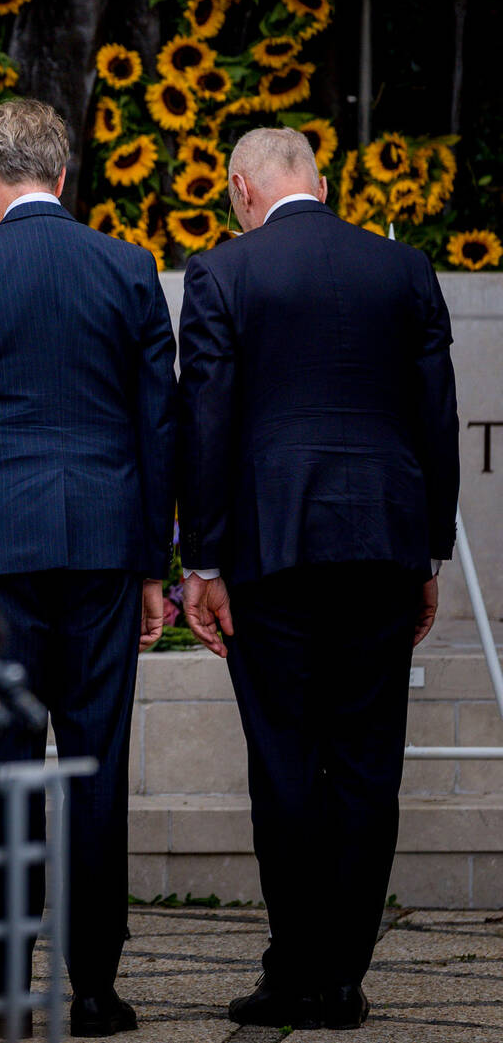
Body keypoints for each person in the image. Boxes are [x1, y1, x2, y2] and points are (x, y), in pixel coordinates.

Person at [178, 126, 459, 1031]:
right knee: (371, 763)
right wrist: (429, 553)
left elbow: (207, 422)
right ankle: (344, 972)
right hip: (383, 545)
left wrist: (203, 561)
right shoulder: (404, 269)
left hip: (274, 552)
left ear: (241, 187)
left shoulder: (223, 273)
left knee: (287, 758)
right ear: (321, 181)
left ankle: (297, 968)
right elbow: (436, 415)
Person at [0, 98, 176, 1038]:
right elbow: (159, 427)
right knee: (97, 770)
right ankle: (96, 989)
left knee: (4, 770)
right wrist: (156, 565)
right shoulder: (128, 266)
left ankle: (0, 984)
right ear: (64, 175)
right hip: (103, 551)